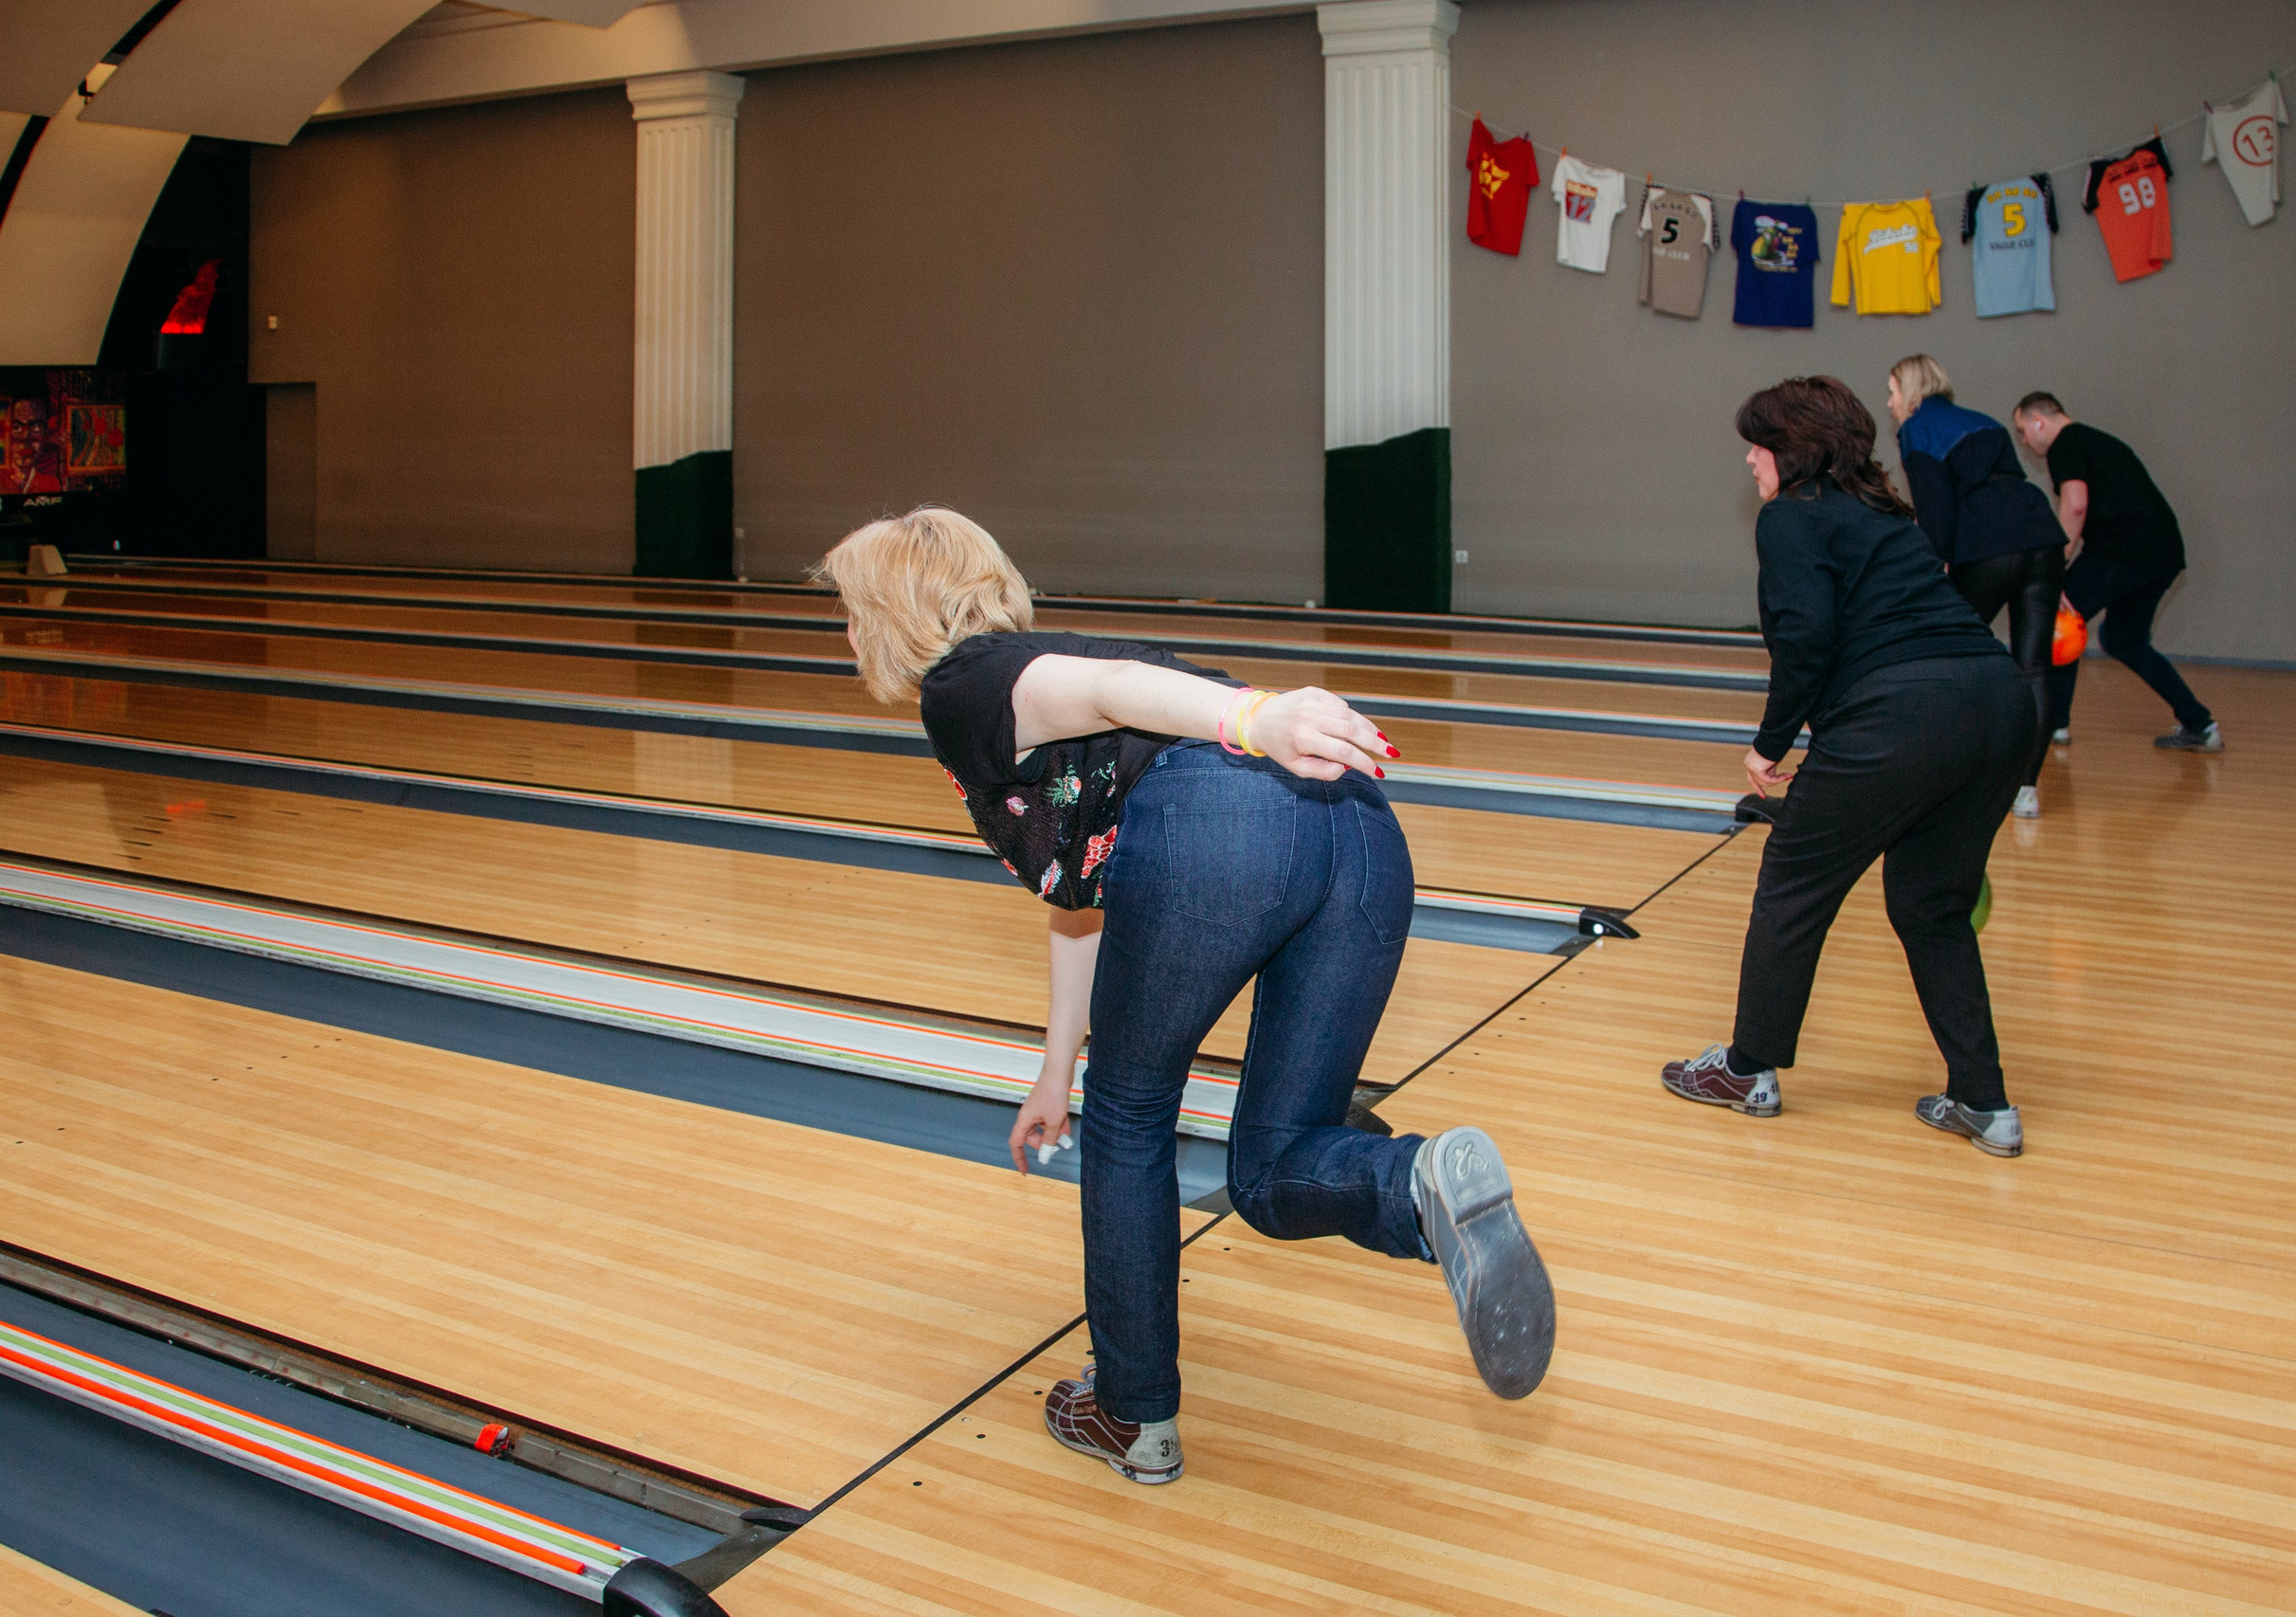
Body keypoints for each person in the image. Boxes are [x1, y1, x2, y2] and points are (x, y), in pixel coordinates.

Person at [818, 508, 1555, 1485]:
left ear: (886, 611)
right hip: (1360, 832)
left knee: (1128, 1115)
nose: (844, 630)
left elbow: (1114, 690)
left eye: (847, 608)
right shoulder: (1036, 683)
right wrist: (1052, 1071)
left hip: (1230, 820)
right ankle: (1416, 1185)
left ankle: (1131, 1413)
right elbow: (1079, 900)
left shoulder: (966, 680)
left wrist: (1257, 715)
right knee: (1273, 1166)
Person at [1663, 377, 2036, 1156]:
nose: (1748, 458)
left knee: (1793, 880)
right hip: (2000, 704)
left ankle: (1745, 1070)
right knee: (1933, 905)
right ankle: (1983, 1102)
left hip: (1901, 714)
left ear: (1789, 449)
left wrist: (1769, 745)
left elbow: (1805, 639)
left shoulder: (1790, 519)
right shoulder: (1881, 511)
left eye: (1757, 444)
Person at [1888, 356, 2068, 818]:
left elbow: (1935, 509)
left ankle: (1933, 764)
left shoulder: (1918, 429)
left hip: (1989, 540)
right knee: (2034, 667)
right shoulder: (1983, 421)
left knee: (1941, 649)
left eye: (1891, 392)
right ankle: (2024, 789)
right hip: (2039, 530)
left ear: (1910, 391)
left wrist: (1933, 569)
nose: (1889, 404)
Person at [2011, 393, 2220, 752]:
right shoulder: (2099, 441)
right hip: (2161, 555)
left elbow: (2075, 505)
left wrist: (2055, 566)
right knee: (2125, 640)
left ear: (2038, 422)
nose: (2026, 442)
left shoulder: (2067, 444)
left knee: (2058, 618)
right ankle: (2200, 724)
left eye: (2023, 432)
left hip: (2122, 552)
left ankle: (2054, 724)